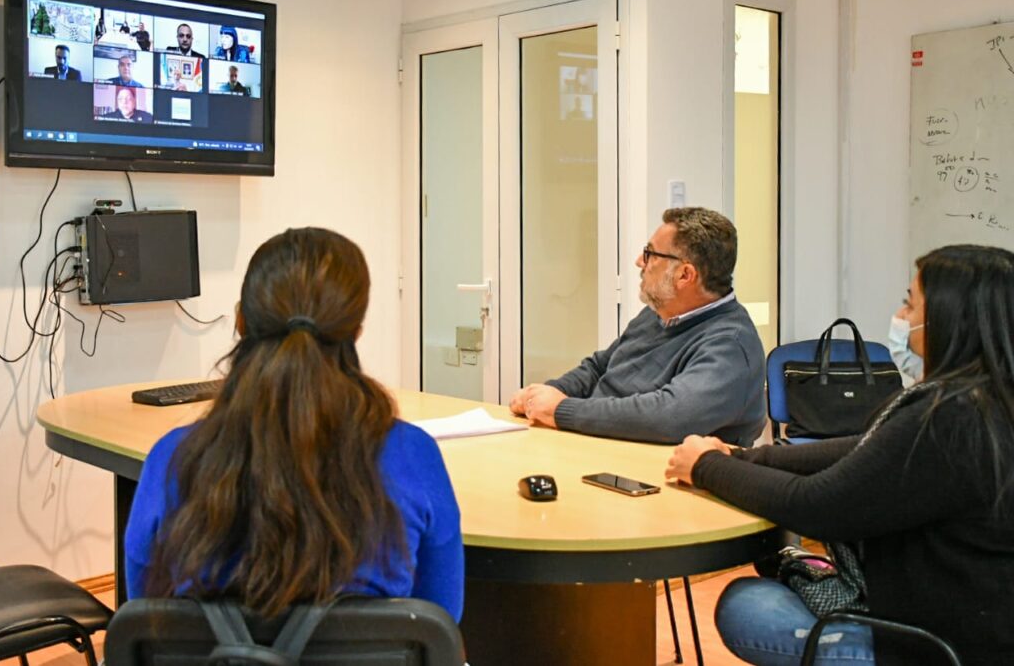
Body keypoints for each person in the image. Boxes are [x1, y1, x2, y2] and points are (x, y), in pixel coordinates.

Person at [665, 244, 1014, 666]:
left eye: (910, 304)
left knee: (746, 605)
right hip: (985, 628)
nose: (901, 318)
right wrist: (741, 457)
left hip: (937, 648)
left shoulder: (948, 419)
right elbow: (863, 450)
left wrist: (706, 466)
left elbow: (815, 504)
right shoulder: (989, 402)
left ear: (947, 320)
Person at [124, 228, 464, 622]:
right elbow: (440, 620)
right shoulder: (415, 454)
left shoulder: (173, 458)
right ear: (356, 331)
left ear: (240, 320)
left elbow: (146, 615)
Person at [509, 206, 766, 445]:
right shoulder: (658, 312)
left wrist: (561, 410)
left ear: (685, 275)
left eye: (650, 254)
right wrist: (549, 393)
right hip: (597, 446)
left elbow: (669, 416)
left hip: (662, 479)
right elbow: (600, 367)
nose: (639, 262)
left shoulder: (730, 344)